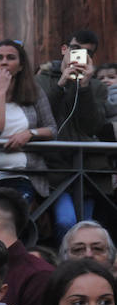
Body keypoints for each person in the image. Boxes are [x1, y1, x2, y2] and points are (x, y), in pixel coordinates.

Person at [36, 30, 108, 240]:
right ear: (64, 49)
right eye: (76, 50)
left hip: (87, 168)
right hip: (55, 166)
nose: (81, 56)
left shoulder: (96, 86)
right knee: (65, 222)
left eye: (88, 53)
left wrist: (84, 87)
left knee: (86, 226)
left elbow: (92, 125)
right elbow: (41, 116)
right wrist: (61, 84)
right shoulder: (42, 80)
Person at [0, 39, 56, 204]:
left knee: (13, 213)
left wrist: (30, 133)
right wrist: (1, 90)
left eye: (10, 58)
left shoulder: (35, 94)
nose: (4, 62)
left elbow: (52, 130)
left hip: (25, 175)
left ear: (21, 66)